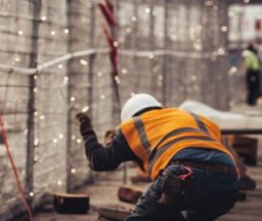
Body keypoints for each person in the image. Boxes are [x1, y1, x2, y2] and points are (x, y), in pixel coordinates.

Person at [76, 93, 239, 220]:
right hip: (229, 182)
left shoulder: (134, 125)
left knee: (141, 217)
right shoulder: (194, 118)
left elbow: (99, 160)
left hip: (183, 175)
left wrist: (87, 132)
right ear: (159, 107)